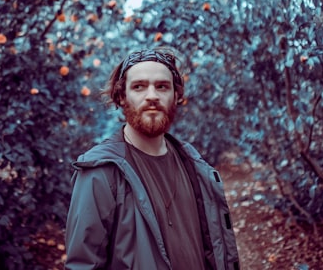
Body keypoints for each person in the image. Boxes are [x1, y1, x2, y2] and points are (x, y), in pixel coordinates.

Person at [65, 48, 240, 270]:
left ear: (176, 96)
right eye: (139, 87)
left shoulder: (195, 166)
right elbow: (83, 265)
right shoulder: (101, 173)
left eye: (162, 87)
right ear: (121, 96)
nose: (152, 96)